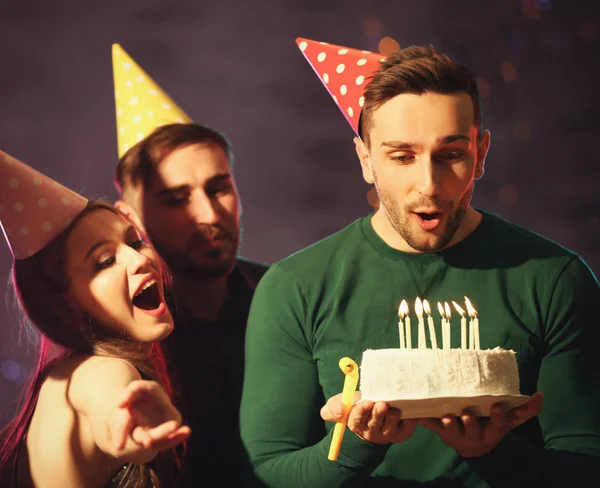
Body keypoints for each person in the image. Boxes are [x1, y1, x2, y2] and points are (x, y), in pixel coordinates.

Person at [239, 38, 600, 487]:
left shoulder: (554, 278)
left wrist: (492, 453)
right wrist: (358, 444)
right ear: (366, 160)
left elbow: (587, 467)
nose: (428, 184)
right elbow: (269, 471)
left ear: (481, 154)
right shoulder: (295, 286)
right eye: (402, 156)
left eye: (451, 154)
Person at [111, 44, 268, 485]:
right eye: (177, 199)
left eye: (218, 189)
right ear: (132, 216)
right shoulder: (122, 334)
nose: (209, 214)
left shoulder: (288, 296)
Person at [0, 151, 190, 487]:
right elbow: (107, 398)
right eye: (104, 261)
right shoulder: (104, 370)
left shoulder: (63, 374)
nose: (138, 259)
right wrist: (127, 423)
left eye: (136, 241)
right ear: (67, 302)